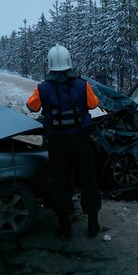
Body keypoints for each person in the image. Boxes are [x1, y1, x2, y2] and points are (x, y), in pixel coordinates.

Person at [26, 44, 101, 240]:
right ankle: (93, 224)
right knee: (88, 181)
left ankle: (65, 228)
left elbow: (32, 107)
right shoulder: (82, 84)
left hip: (57, 145)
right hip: (81, 141)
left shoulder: (42, 88)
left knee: (60, 184)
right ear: (69, 63)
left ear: (49, 65)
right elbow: (94, 104)